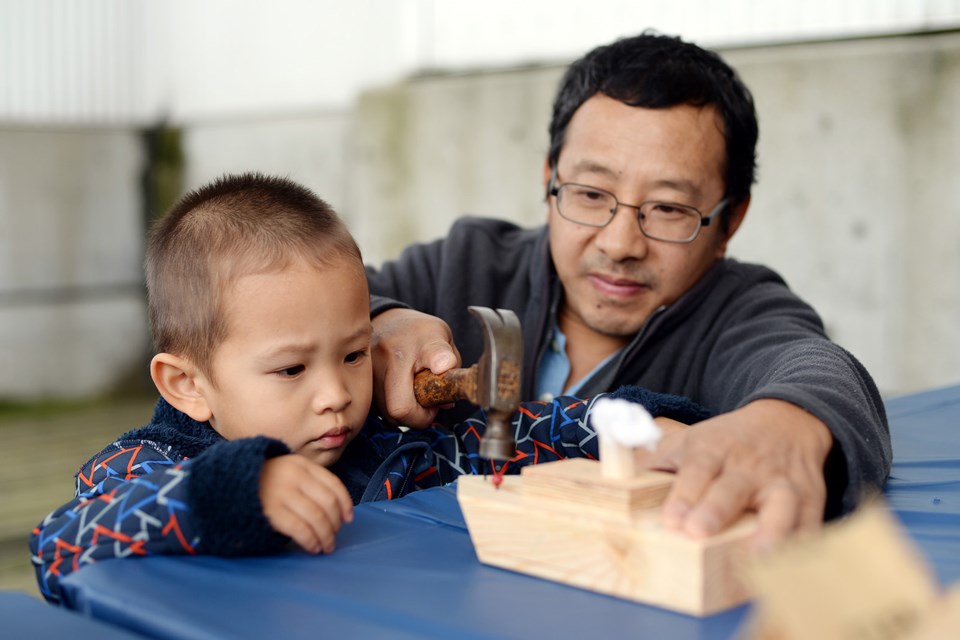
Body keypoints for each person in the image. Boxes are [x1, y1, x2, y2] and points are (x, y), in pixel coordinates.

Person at [29, 172, 708, 605]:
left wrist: (628, 430)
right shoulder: (146, 467)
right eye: (292, 369)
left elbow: (515, 435)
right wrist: (236, 488)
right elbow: (57, 544)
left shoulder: (393, 448)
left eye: (354, 354)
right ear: (188, 385)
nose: (336, 394)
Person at [365, 32, 892, 547]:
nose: (620, 244)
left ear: (730, 221)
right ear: (550, 180)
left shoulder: (737, 312)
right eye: (591, 194)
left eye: (668, 208)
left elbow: (819, 369)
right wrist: (378, 321)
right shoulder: (467, 265)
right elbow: (304, 298)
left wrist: (786, 426)